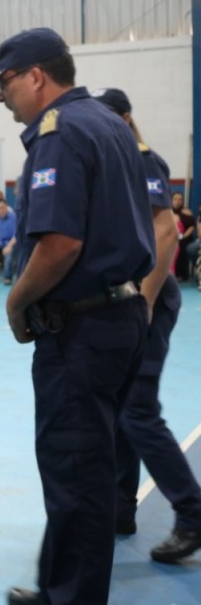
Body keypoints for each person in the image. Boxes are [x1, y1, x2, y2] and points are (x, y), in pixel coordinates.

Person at [0, 28, 155, 605]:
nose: (0, 95)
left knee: (74, 473)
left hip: (81, 327)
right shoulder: (109, 123)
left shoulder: (58, 134)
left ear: (35, 76)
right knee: (84, 470)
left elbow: (59, 244)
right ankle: (60, 589)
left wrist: (15, 300)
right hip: (120, 317)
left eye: (4, 82)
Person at [90, 87, 201, 565]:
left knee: (136, 411)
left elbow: (166, 231)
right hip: (125, 299)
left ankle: (192, 513)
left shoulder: (142, 159)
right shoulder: (112, 164)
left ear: (126, 118)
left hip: (149, 298)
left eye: (110, 118)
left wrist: (148, 302)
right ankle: (120, 510)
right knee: (120, 408)